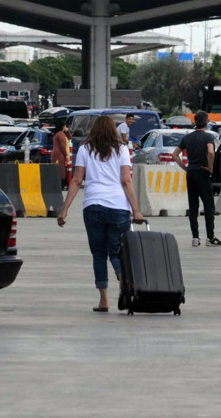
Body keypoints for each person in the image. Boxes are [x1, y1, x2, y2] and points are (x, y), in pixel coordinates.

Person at [57, 115, 144, 313]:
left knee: (98, 254)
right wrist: (136, 210)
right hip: (118, 206)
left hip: (93, 206)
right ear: (113, 130)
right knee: (116, 252)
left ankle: (104, 300)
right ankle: (124, 282)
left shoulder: (85, 149)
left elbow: (77, 180)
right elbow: (126, 180)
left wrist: (65, 209)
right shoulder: (121, 149)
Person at [172, 110, 221, 247]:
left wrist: (185, 168)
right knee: (208, 205)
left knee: (193, 206)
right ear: (206, 122)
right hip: (203, 172)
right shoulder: (208, 137)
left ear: (195, 122)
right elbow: (210, 152)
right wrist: (210, 168)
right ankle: (210, 237)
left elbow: (175, 155)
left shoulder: (187, 138)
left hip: (191, 172)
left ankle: (195, 237)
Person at [51, 119, 71, 190]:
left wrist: (67, 131)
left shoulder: (59, 134)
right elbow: (63, 146)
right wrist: (66, 155)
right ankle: (60, 185)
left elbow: (69, 138)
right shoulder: (60, 134)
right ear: (63, 126)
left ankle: (59, 185)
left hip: (57, 154)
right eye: (65, 126)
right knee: (61, 170)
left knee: (60, 169)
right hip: (59, 155)